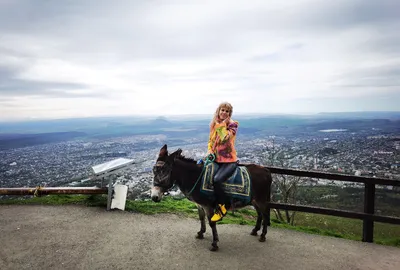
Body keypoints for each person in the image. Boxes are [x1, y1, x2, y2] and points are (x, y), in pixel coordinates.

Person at [206, 102, 239, 222]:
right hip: (216, 159)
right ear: (218, 111)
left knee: (217, 179)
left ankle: (222, 208)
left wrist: (222, 124)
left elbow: (225, 138)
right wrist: (210, 150)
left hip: (229, 161)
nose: (224, 113)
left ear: (230, 114)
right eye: (222, 110)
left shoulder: (233, 125)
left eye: (227, 111)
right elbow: (211, 141)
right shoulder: (214, 124)